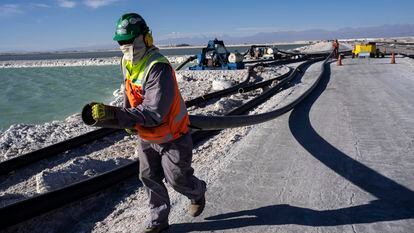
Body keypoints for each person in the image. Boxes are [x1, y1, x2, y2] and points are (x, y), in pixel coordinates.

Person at [90, 13, 207, 233]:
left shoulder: (158, 67)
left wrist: (116, 115)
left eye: (129, 41)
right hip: (146, 135)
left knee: (177, 180)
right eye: (121, 42)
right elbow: (128, 89)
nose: (125, 46)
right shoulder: (126, 61)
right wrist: (125, 114)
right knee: (148, 177)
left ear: (146, 38)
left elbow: (155, 113)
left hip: (172, 135)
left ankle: (198, 191)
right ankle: (158, 222)